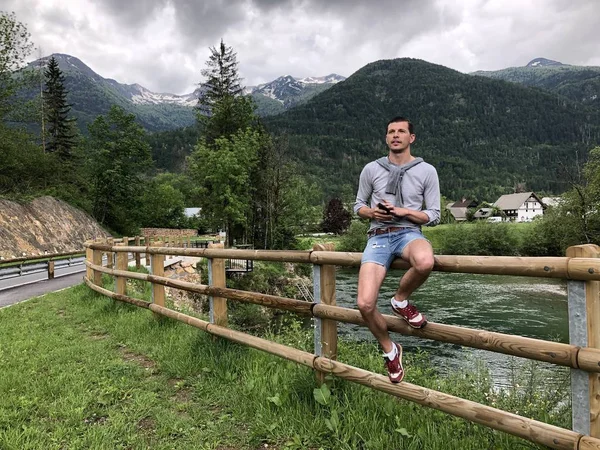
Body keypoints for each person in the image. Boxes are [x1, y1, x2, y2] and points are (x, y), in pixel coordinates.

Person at [353, 116, 440, 383]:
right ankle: (390, 350)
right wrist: (374, 211)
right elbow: (358, 207)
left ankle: (400, 300)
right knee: (364, 304)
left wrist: (403, 212)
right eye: (391, 131)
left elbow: (434, 214)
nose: (395, 135)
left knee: (425, 262)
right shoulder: (371, 169)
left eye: (401, 131)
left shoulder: (427, 171)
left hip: (409, 234)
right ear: (386, 138)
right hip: (378, 236)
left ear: (411, 138)